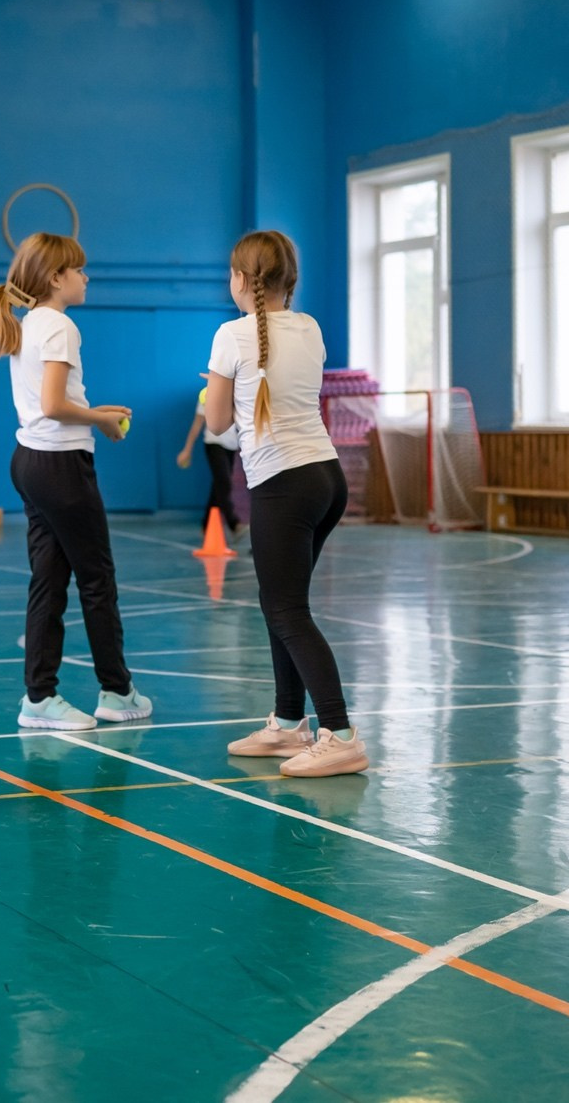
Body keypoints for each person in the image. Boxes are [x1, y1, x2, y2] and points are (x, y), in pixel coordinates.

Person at [207, 230, 365, 777]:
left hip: (284, 485)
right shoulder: (311, 327)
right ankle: (289, 721)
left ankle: (340, 733)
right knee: (281, 600)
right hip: (326, 478)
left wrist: (216, 388)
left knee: (287, 610)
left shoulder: (230, 335)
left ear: (243, 280)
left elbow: (217, 423)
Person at [0, 232, 150, 731]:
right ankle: (117, 691)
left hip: (30, 462)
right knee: (97, 579)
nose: (86, 277)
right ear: (56, 278)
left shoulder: (31, 323)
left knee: (49, 581)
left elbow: (50, 403)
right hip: (60, 468)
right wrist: (99, 420)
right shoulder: (59, 326)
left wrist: (94, 411)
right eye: (79, 270)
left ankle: (39, 697)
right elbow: (54, 405)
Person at [177, 384, 243, 540]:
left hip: (232, 446)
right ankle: (234, 524)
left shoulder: (237, 392)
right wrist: (187, 449)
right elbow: (197, 424)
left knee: (218, 487)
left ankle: (206, 525)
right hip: (214, 444)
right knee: (224, 483)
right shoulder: (207, 394)